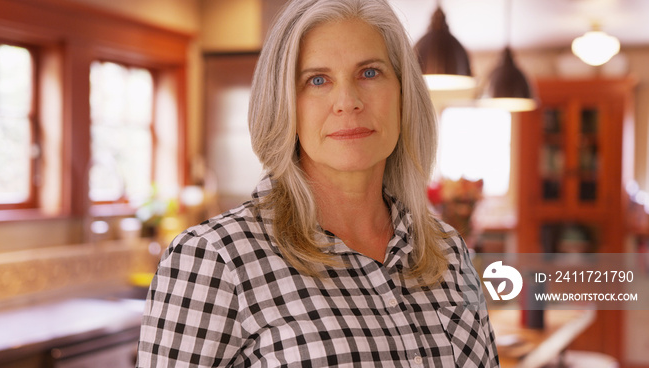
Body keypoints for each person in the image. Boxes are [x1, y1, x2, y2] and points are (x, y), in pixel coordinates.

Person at [137, 0, 499, 366]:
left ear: (404, 94)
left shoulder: (448, 253)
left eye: (370, 73)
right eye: (317, 80)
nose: (348, 101)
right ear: (284, 105)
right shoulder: (213, 261)